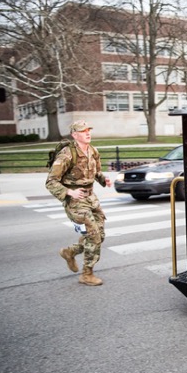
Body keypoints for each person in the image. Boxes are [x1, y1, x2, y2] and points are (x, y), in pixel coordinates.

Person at [46, 120, 112, 286]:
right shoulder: (67, 154)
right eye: (83, 131)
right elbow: (51, 181)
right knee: (94, 236)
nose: (88, 133)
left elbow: (96, 171)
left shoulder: (93, 150)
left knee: (100, 235)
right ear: (74, 135)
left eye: (89, 130)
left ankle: (70, 252)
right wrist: (69, 192)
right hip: (76, 201)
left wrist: (105, 180)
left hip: (91, 198)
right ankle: (87, 274)